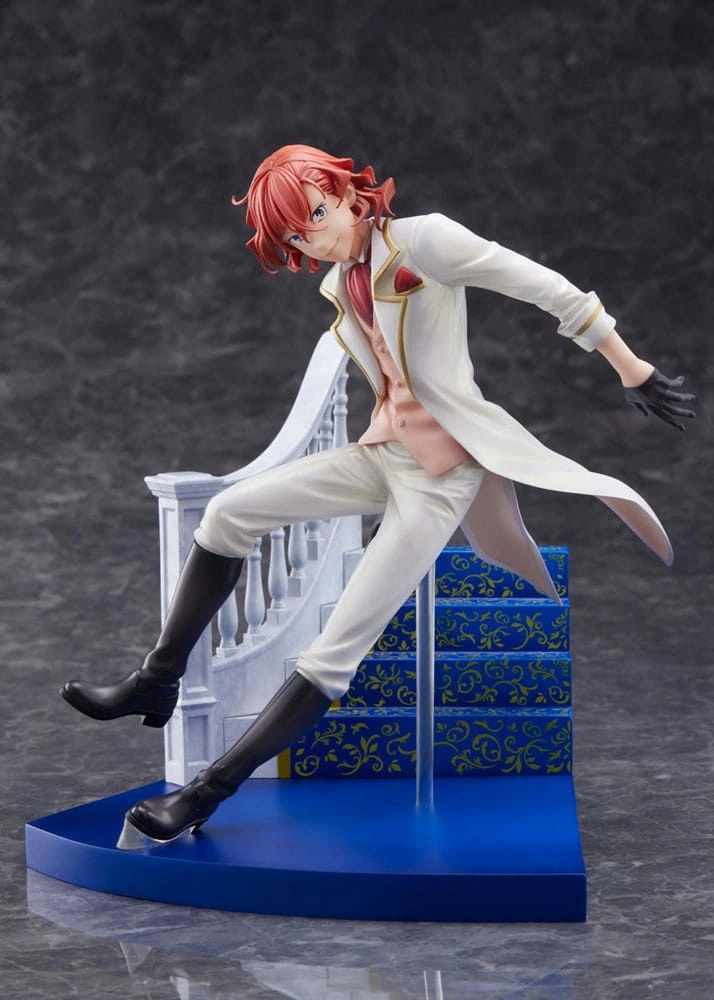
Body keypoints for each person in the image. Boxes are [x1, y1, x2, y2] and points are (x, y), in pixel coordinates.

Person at [61, 144, 695, 847]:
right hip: (386, 452)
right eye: (296, 234)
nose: (313, 237)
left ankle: (205, 794)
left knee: (332, 653)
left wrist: (632, 369)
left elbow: (547, 288)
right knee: (226, 514)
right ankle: (157, 678)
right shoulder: (344, 278)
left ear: (347, 192)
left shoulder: (427, 241)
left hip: (441, 474)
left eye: (317, 213)